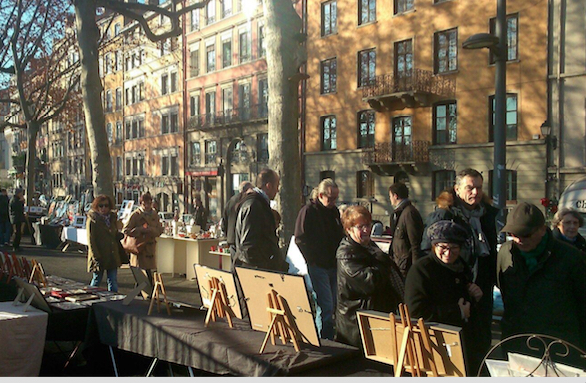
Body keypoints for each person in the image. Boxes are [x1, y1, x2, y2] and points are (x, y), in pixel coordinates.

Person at [421, 168, 498, 362]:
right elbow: (427, 253)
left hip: (483, 288)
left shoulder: (486, 214)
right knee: (459, 348)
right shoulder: (444, 216)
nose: (475, 193)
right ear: (457, 189)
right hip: (456, 288)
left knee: (482, 343)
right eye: (470, 188)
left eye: (479, 188)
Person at [497, 202, 586, 364]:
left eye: (526, 235)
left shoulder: (570, 257)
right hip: (517, 344)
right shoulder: (505, 252)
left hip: (558, 347)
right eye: (514, 234)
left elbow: (582, 303)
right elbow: (504, 290)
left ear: (542, 230)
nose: (519, 240)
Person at [405, 220, 484, 375]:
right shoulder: (422, 270)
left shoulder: (462, 267)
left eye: (454, 248)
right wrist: (457, 311)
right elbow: (415, 312)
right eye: (443, 247)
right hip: (434, 345)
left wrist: (474, 296)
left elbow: (465, 304)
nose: (448, 253)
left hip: (463, 342)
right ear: (434, 246)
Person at [335, 205, 404, 348]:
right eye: (361, 227)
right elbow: (370, 282)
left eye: (368, 225)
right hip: (355, 323)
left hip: (374, 317)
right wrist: (384, 263)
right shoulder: (346, 254)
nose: (366, 230)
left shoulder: (368, 246)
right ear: (349, 229)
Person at [294, 178, 345, 340]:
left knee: (331, 305)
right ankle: (324, 339)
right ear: (321, 195)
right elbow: (300, 238)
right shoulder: (309, 211)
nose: (333, 202)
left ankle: (324, 336)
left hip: (332, 263)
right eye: (330, 198)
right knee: (325, 305)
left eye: (335, 198)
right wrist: (311, 259)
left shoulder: (334, 212)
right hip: (318, 265)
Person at [234, 168, 287, 272]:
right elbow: (248, 246)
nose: (277, 190)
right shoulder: (254, 206)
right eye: (277, 186)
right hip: (256, 270)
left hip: (255, 267)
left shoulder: (255, 203)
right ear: (269, 186)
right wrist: (267, 263)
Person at [122, 192, 164, 281]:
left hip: (150, 248)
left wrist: (151, 230)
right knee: (142, 277)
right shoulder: (136, 215)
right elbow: (125, 230)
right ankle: (145, 294)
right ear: (140, 203)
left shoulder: (154, 214)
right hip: (139, 248)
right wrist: (139, 230)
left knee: (147, 276)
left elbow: (159, 230)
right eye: (144, 204)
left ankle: (143, 294)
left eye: (149, 203)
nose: (147, 206)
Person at [86, 195, 124, 292]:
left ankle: (114, 301)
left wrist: (118, 235)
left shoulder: (112, 218)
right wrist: (96, 257)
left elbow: (113, 233)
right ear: (96, 206)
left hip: (111, 254)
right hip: (100, 255)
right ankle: (90, 298)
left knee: (113, 280)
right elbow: (91, 241)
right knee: (97, 280)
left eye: (106, 206)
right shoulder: (92, 220)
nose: (103, 208)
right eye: (101, 206)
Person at [389, 182, 424, 277]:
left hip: (407, 267)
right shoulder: (399, 213)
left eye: (390, 196)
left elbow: (415, 243)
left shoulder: (409, 213)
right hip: (399, 264)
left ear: (395, 196)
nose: (390, 199)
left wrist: (415, 269)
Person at [221, 181, 253, 270]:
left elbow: (224, 221)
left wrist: (227, 235)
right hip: (241, 239)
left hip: (232, 239)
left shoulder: (230, 201)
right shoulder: (247, 202)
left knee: (234, 266)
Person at [9, 188, 26, 252]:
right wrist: (22, 202)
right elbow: (18, 209)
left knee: (17, 232)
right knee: (17, 232)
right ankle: (15, 246)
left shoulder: (15, 199)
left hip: (16, 218)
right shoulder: (15, 200)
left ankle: (16, 246)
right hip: (16, 218)